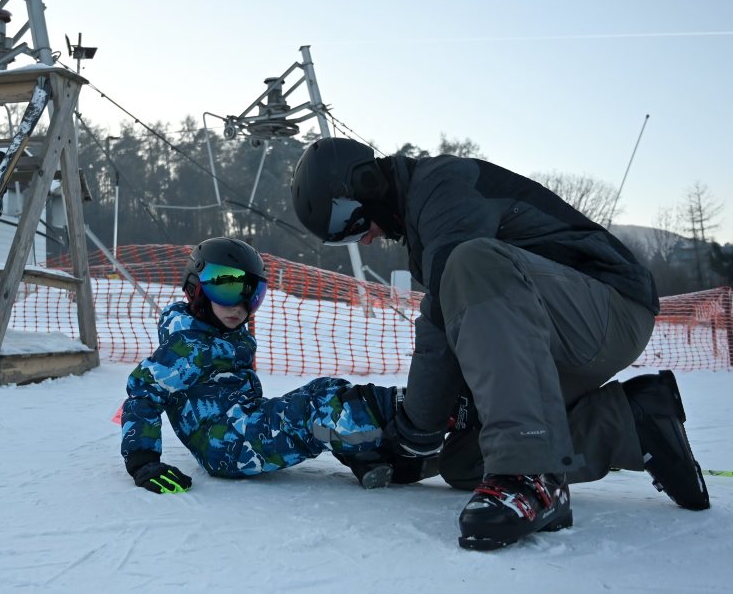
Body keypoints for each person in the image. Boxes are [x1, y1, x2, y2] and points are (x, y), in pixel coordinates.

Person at [290, 137, 710, 550]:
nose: (361, 239)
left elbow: (438, 329)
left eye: (351, 222)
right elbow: (467, 335)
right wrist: (409, 446)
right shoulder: (423, 221)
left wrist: (417, 427)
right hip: (558, 327)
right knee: (466, 462)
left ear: (366, 184)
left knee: (471, 262)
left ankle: (530, 475)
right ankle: (630, 423)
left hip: (609, 307)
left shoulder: (442, 187)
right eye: (341, 237)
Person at [120, 236, 422, 494]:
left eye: (251, 296)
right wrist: (143, 461)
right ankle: (415, 408)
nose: (239, 307)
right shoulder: (186, 346)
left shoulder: (220, 335)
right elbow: (142, 391)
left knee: (318, 396)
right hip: (226, 444)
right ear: (196, 288)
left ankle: (370, 450)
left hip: (237, 427)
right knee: (316, 406)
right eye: (227, 289)